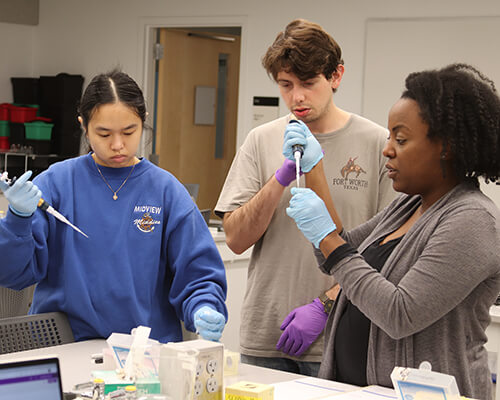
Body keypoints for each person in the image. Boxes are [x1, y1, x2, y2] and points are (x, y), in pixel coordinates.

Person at [284, 63, 500, 400]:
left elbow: (401, 313)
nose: (387, 149)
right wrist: (313, 172)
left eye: (400, 139)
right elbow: (333, 257)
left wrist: (326, 236)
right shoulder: (408, 206)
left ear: (447, 146)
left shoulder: (473, 220)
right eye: (389, 137)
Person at [215, 19, 395, 376]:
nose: (297, 97)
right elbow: (235, 239)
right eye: (286, 85)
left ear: (336, 76)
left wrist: (325, 305)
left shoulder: (377, 143)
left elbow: (389, 251)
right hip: (267, 335)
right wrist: (279, 179)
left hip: (340, 333)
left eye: (308, 83)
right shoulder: (260, 140)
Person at [0, 70, 227, 343]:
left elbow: (198, 273)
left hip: (144, 356)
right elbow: (13, 275)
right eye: (104, 133)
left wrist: (204, 307)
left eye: (129, 132)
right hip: (65, 346)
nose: (118, 145)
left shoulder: (165, 191)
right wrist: (17, 220)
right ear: (83, 125)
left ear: (143, 123)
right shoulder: (57, 183)